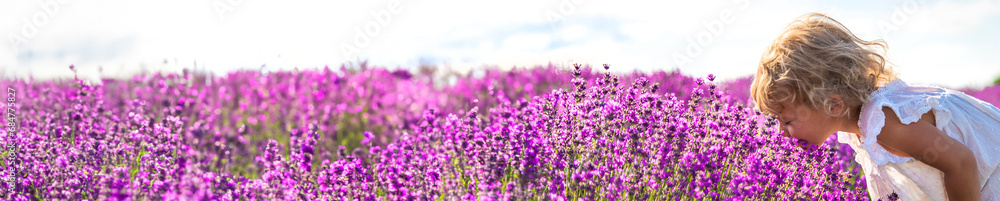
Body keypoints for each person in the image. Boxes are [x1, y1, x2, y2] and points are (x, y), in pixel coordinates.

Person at [749, 13, 1000, 200]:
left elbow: (961, 162)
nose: (780, 132)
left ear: (833, 105)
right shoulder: (861, 126)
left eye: (787, 121)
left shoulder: (884, 121)